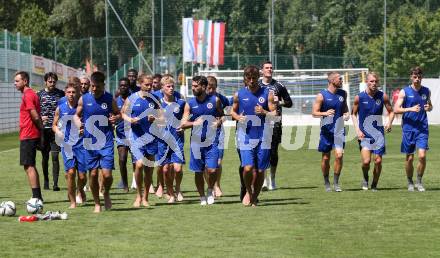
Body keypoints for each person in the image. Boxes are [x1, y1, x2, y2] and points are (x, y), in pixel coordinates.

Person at [74, 71, 120, 213]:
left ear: (103, 85)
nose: (94, 89)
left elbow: (119, 113)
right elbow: (76, 115)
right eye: (92, 86)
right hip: (90, 142)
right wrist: (79, 125)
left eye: (97, 86)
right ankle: (97, 203)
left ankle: (105, 192)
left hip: (106, 141)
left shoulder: (108, 98)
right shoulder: (84, 99)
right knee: (93, 175)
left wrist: (115, 118)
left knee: (107, 175)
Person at [230, 65, 276, 206]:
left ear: (258, 77)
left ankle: (255, 197)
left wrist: (264, 112)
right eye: (248, 78)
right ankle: (249, 193)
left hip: (263, 135)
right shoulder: (239, 94)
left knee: (261, 169)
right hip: (245, 135)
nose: (251, 80)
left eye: (254, 78)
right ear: (245, 78)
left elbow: (275, 114)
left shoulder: (268, 93)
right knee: (248, 167)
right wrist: (238, 117)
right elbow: (232, 112)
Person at [181, 76, 224, 205]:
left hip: (212, 143)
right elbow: (183, 123)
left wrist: (219, 122)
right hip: (196, 143)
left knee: (213, 169)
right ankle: (202, 197)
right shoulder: (190, 104)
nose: (193, 88)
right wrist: (194, 123)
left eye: (195, 86)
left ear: (204, 87)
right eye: (192, 86)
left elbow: (222, 115)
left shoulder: (215, 100)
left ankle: (210, 189)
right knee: (199, 172)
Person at [351, 72, 394, 191]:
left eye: (376, 81)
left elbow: (391, 111)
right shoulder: (359, 97)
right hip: (364, 134)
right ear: (367, 82)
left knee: (378, 161)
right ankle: (365, 178)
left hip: (378, 134)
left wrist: (389, 122)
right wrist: (357, 130)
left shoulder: (383, 96)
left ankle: (374, 184)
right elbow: (353, 114)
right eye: (371, 81)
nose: (374, 83)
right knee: (366, 162)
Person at [121, 74, 159, 207]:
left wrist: (155, 118)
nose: (149, 87)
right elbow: (123, 113)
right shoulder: (132, 98)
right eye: (147, 85)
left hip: (151, 137)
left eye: (151, 85)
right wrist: (130, 119)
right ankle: (138, 195)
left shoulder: (154, 98)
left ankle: (146, 197)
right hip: (136, 136)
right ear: (140, 84)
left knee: (148, 168)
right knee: (139, 165)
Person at [393, 66, 433, 192]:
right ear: (411, 77)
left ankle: (419, 181)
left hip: (422, 128)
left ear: (422, 77)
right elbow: (395, 109)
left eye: (419, 77)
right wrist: (410, 109)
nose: (417, 79)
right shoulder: (404, 92)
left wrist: (429, 107)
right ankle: (410, 182)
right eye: (415, 77)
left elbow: (429, 105)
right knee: (409, 158)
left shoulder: (426, 91)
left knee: (422, 156)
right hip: (408, 128)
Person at [312, 72, 349, 192]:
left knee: (339, 155)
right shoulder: (321, 95)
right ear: (332, 80)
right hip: (326, 132)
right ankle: (326, 181)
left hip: (339, 130)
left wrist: (346, 113)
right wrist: (324, 113)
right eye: (340, 79)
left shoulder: (343, 93)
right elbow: (314, 112)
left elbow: (345, 108)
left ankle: (336, 183)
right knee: (326, 158)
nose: (341, 81)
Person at [259, 61, 292, 190]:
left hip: (275, 122)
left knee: (273, 152)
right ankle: (264, 181)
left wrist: (280, 102)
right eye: (267, 68)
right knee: (262, 152)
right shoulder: (257, 85)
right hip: (261, 123)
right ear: (262, 70)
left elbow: (289, 103)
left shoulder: (279, 85)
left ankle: (272, 178)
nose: (269, 70)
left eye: (271, 68)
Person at [52, 83, 87, 208]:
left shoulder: (82, 107)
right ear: (65, 93)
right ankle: (72, 202)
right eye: (69, 92)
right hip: (67, 145)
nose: (71, 94)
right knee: (71, 173)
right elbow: (54, 125)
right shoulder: (60, 108)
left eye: (73, 92)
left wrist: (85, 129)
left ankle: (80, 190)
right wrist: (58, 132)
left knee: (82, 176)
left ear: (77, 93)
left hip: (81, 144)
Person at [15, 71, 44, 202]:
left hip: (29, 134)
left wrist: (41, 130)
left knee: (29, 165)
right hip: (30, 133)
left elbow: (35, 115)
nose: (14, 83)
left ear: (25, 81)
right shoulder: (31, 94)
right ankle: (37, 196)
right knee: (30, 165)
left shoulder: (28, 95)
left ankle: (37, 197)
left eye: (17, 81)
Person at [157, 75, 186, 203]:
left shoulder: (180, 102)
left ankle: (178, 188)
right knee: (165, 169)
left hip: (177, 140)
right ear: (162, 88)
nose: (171, 88)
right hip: (162, 142)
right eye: (168, 86)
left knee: (178, 169)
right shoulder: (157, 104)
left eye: (172, 86)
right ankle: (171, 193)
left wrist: (184, 125)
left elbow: (186, 117)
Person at [37, 72, 65, 191]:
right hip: (43, 130)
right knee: (45, 157)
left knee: (55, 156)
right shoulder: (39, 94)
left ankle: (55, 183)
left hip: (56, 130)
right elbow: (34, 110)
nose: (52, 83)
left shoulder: (61, 94)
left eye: (54, 81)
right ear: (45, 82)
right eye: (50, 81)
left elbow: (65, 108)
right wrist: (40, 117)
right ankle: (46, 181)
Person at [206, 76, 230, 197]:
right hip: (203, 134)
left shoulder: (221, 98)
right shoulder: (200, 99)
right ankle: (210, 186)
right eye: (209, 88)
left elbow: (227, 112)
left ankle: (217, 185)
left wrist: (220, 121)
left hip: (219, 132)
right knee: (207, 164)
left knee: (218, 162)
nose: (211, 91)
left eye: (213, 88)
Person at [114, 78, 131, 192]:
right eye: (121, 85)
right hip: (121, 135)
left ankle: (138, 182)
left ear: (128, 87)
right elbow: (111, 115)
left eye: (125, 85)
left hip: (135, 134)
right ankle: (125, 185)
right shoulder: (115, 101)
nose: (123, 87)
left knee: (137, 161)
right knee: (122, 159)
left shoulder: (134, 99)